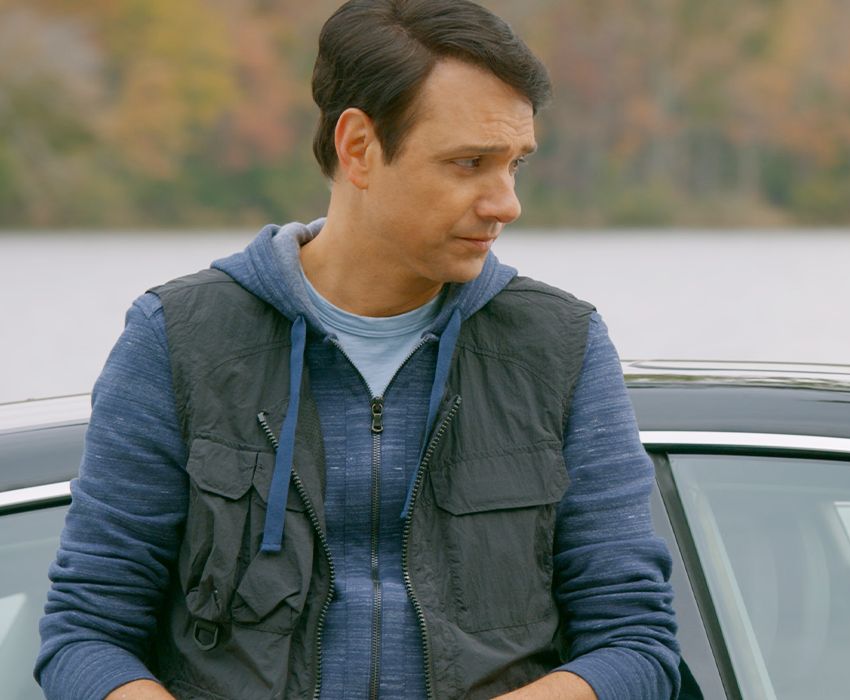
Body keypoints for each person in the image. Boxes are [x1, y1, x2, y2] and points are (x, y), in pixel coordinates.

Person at [35, 1, 681, 698]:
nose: (506, 202)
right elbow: (86, 638)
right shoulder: (178, 339)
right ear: (359, 147)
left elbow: (635, 647)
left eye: (515, 164)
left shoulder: (561, 347)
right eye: (470, 163)